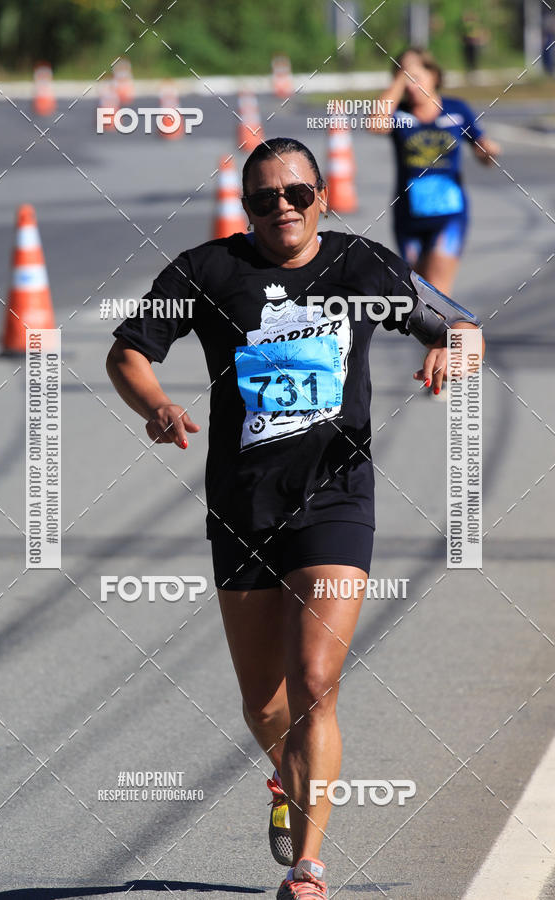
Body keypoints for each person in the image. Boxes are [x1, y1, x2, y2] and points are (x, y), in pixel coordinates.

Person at [106, 136, 484, 899]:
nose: (281, 206)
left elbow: (464, 327)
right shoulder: (207, 271)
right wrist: (156, 405)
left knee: (315, 680)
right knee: (263, 702)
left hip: (336, 498)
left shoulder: (362, 267)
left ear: (322, 198)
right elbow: (127, 353)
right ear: (246, 207)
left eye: (297, 193)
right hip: (242, 507)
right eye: (264, 197)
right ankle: (288, 778)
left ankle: (308, 869)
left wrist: (453, 352)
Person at [367, 47, 500, 297]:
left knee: (437, 293)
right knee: (419, 297)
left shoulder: (457, 110)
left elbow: (483, 152)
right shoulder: (399, 114)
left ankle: (450, 326)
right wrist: (401, 77)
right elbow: (375, 124)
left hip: (449, 213)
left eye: (416, 77)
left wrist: (488, 152)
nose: (411, 85)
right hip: (408, 215)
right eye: (404, 78)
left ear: (434, 75)